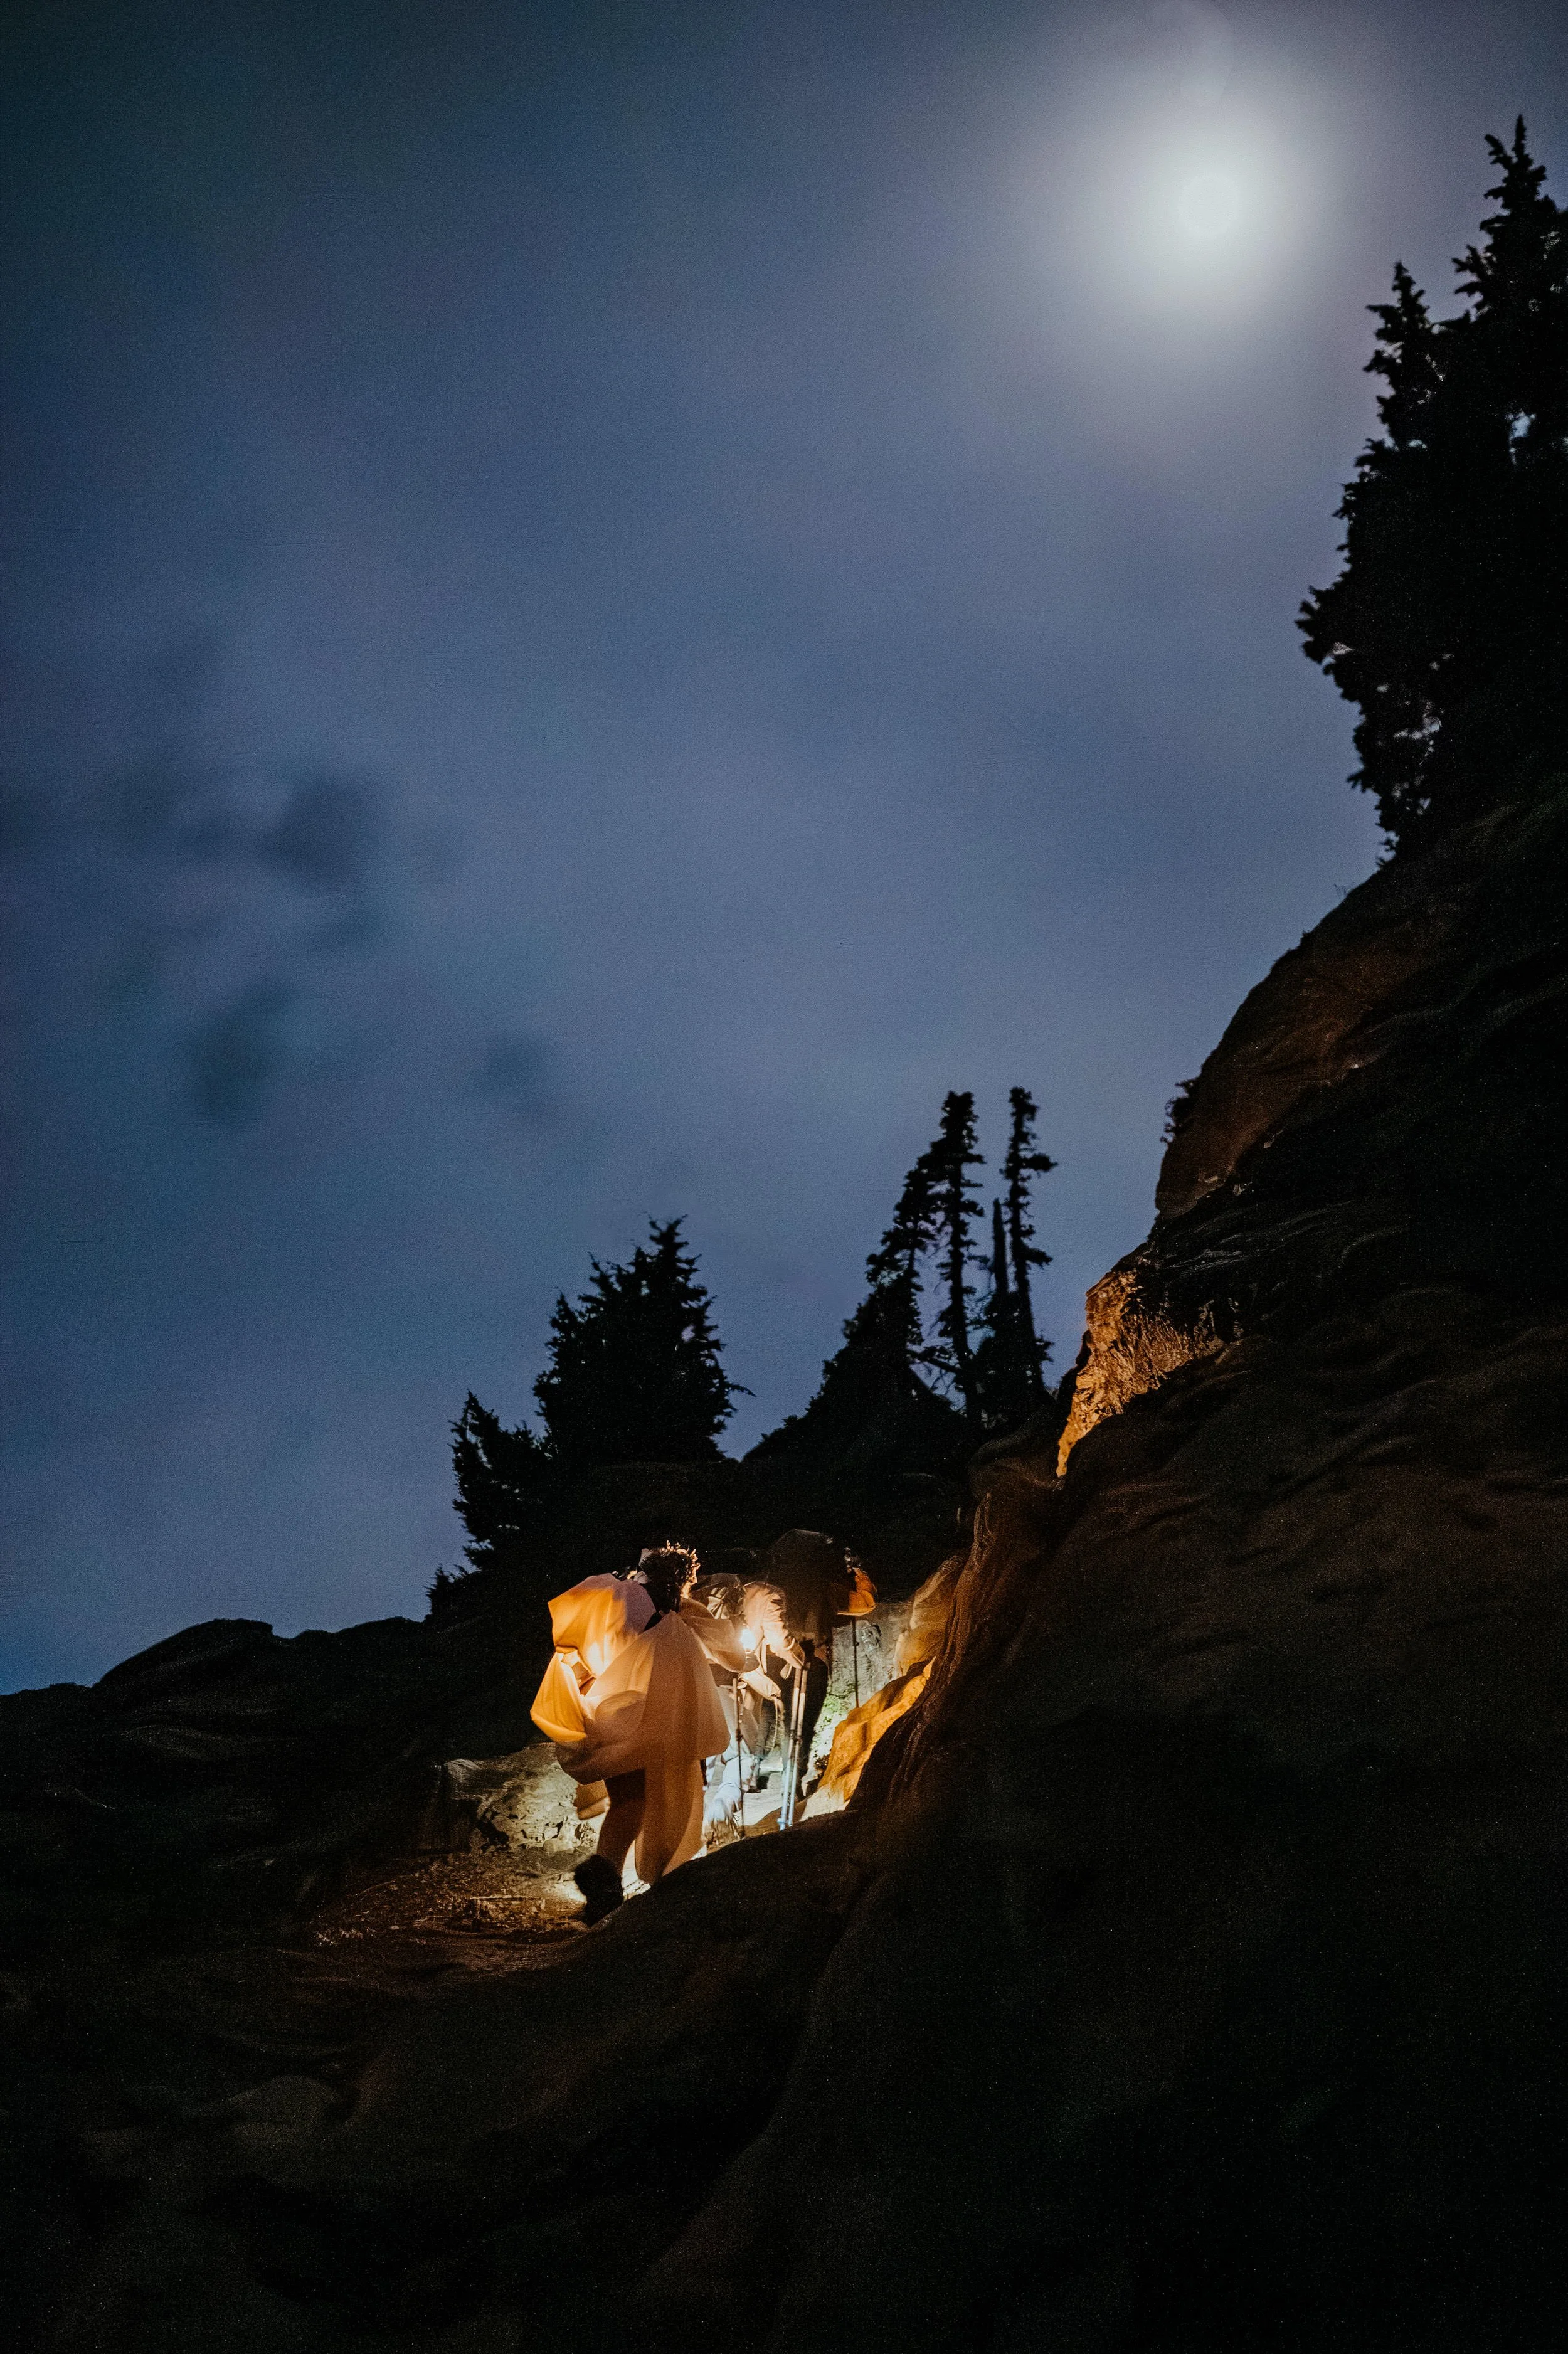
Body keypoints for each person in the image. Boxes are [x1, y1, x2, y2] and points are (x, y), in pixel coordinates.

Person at [531, 1544, 729, 1924]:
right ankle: (604, 1880)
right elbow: (725, 1652)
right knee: (633, 1801)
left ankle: (604, 1884)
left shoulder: (614, 1595)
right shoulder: (671, 1617)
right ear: (682, 1581)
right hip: (644, 1722)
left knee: (626, 1800)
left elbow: (575, 1644)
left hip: (605, 1712)